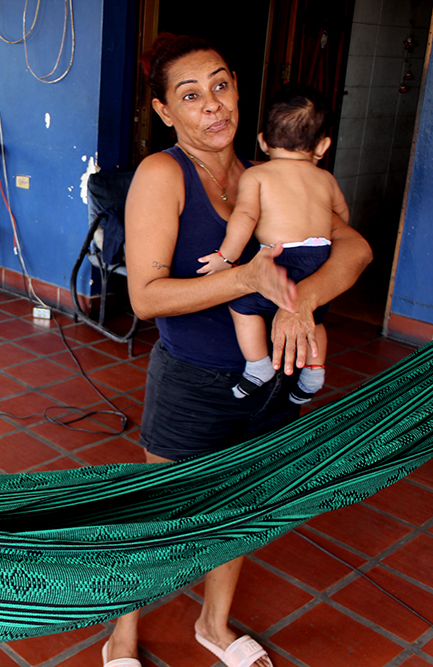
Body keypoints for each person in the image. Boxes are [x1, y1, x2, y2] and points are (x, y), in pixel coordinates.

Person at [102, 34, 371, 667]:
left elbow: (355, 250)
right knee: (159, 515)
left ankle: (213, 625)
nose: (213, 106)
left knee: (242, 507)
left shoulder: (270, 177)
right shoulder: (162, 174)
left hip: (271, 377)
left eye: (221, 86)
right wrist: (248, 279)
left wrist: (298, 303)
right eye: (191, 96)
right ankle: (123, 633)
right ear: (166, 111)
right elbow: (145, 297)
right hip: (193, 378)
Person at [196, 83, 350, 405]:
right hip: (320, 254)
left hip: (283, 257)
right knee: (313, 317)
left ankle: (258, 366)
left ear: (263, 141)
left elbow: (245, 218)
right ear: (322, 147)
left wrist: (227, 257)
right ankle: (314, 370)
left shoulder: (258, 175)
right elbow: (342, 218)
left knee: (242, 306)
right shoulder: (326, 179)